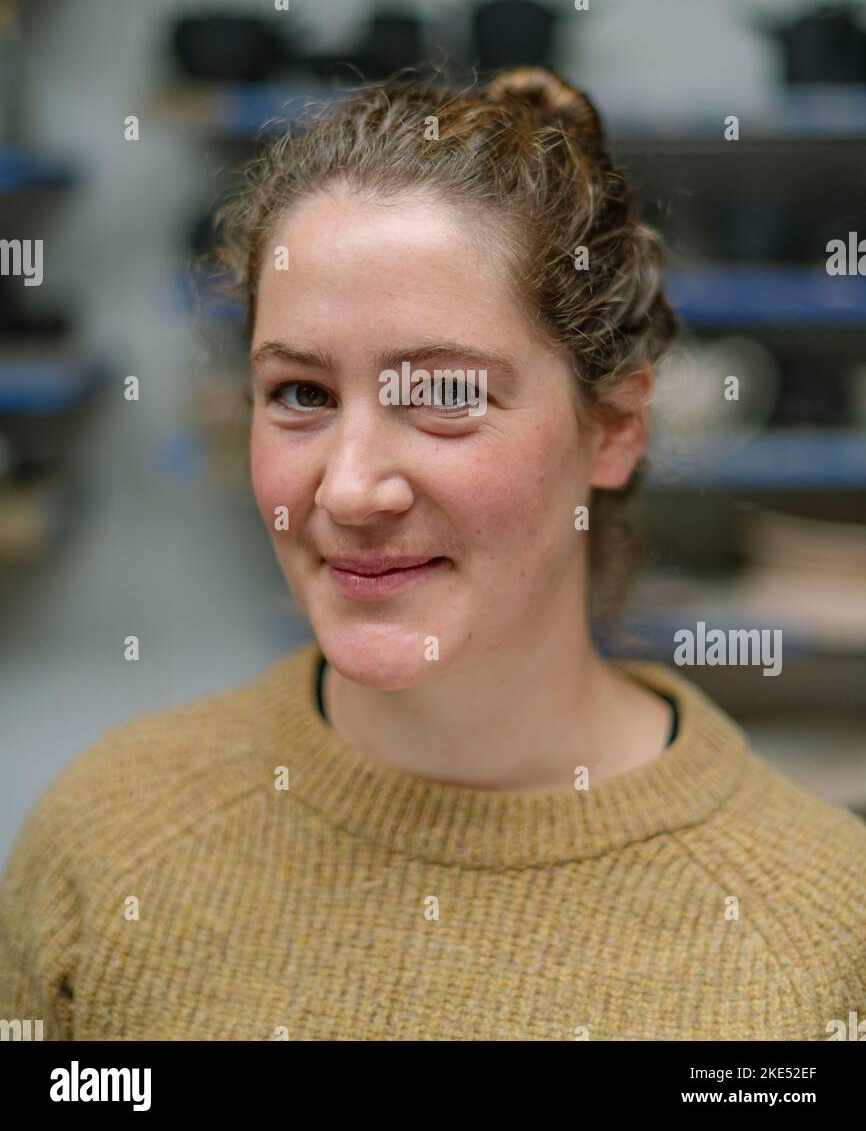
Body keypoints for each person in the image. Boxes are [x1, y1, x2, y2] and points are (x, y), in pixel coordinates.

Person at [0, 66, 863, 1041]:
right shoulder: (108, 839)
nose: (348, 487)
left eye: (445, 395)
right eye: (299, 394)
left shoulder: (814, 941)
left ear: (614, 425)